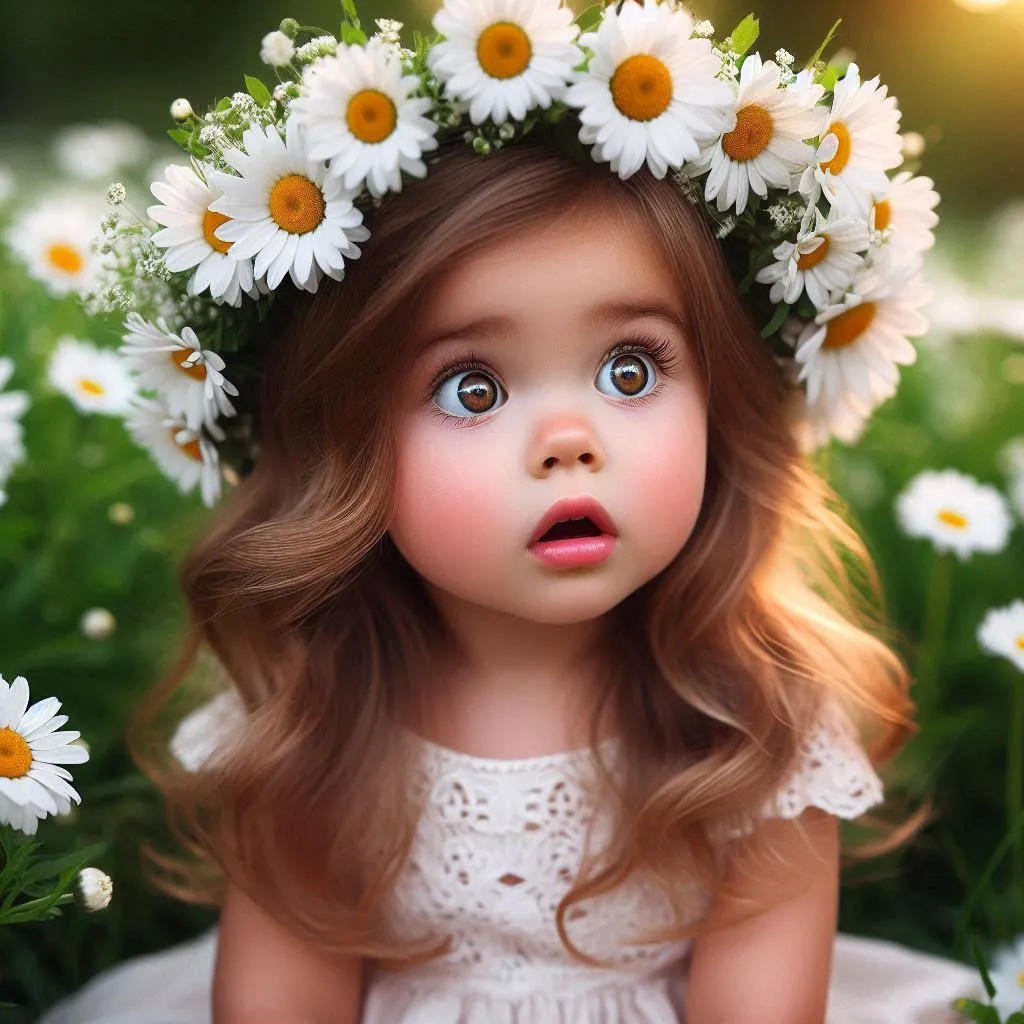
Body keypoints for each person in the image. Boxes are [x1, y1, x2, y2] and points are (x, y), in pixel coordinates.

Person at [40, 1, 982, 1021]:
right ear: (339, 446)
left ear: (722, 399)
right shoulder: (312, 720)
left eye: (631, 367)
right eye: (473, 389)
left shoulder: (752, 728)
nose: (569, 440)